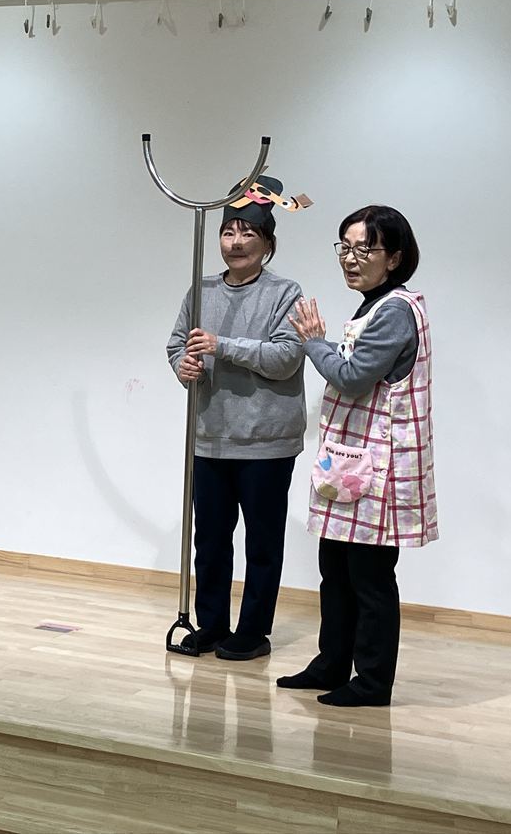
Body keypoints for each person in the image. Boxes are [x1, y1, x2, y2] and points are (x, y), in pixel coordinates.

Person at [281, 204, 437, 707]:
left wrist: (313, 342)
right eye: (345, 248)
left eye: (364, 249)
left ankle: (372, 682)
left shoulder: (394, 310)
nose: (350, 258)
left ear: (394, 257)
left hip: (378, 469)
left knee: (369, 579)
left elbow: (351, 377)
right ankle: (332, 663)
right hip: (351, 464)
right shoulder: (373, 305)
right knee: (336, 570)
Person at [166, 176, 307, 661]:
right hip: (209, 436)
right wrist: (182, 365)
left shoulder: (285, 292)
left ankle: (252, 631)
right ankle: (211, 625)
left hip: (267, 441)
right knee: (209, 540)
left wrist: (222, 346)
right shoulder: (201, 289)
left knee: (262, 544)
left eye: (248, 233)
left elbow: (286, 357)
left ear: (268, 242)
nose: (236, 242)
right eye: (228, 232)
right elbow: (177, 343)